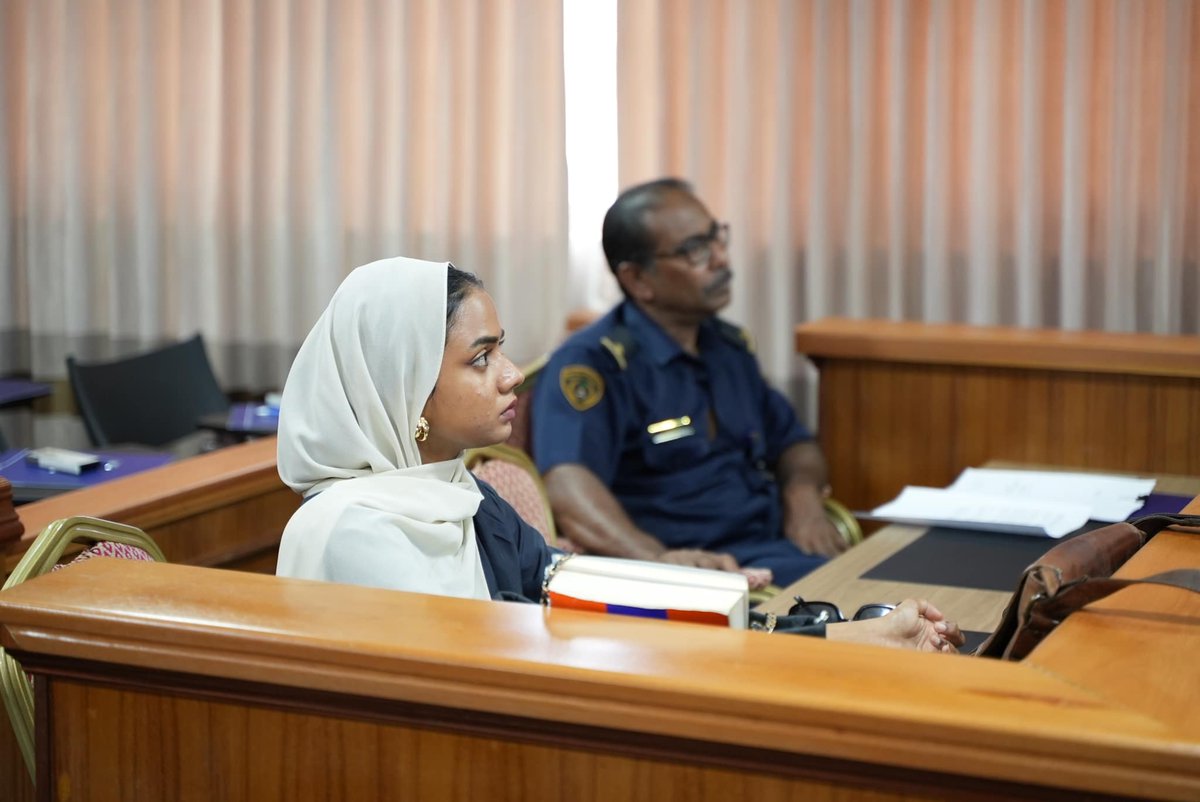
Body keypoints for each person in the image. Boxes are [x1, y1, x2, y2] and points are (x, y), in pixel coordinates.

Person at [274, 255, 963, 652]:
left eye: (502, 349)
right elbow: (499, 667)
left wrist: (827, 636)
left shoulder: (461, 494)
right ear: (403, 386)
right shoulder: (354, 530)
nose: (513, 375)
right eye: (481, 359)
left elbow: (567, 590)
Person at [531, 178, 843, 588]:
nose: (720, 259)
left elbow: (794, 442)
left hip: (777, 544)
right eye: (696, 250)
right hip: (711, 569)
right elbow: (569, 486)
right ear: (638, 279)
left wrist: (802, 496)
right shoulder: (595, 364)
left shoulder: (727, 346)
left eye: (717, 238)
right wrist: (657, 561)